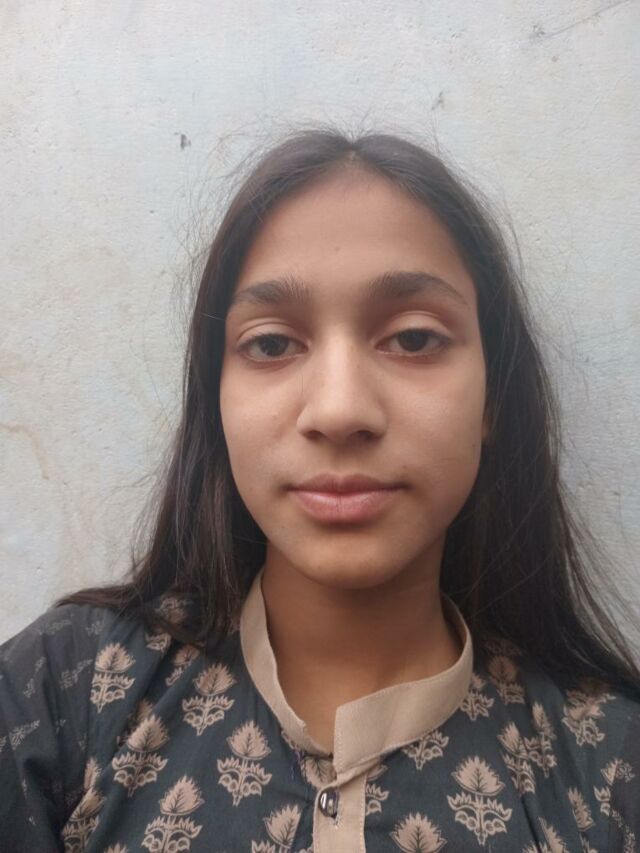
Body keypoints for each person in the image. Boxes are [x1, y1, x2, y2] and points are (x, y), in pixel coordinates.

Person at [1, 126, 638, 853]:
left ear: (492, 398)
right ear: (216, 399)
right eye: (272, 344)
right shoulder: (64, 694)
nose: (339, 410)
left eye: (414, 338)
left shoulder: (609, 772)